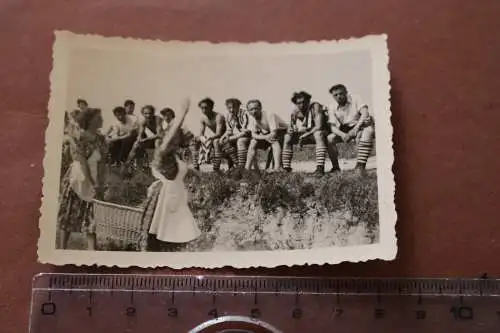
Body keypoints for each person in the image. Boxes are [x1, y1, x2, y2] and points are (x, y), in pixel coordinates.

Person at [140, 98, 202, 251]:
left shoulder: (174, 154)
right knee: (170, 233)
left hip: (175, 195)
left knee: (173, 234)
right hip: (167, 196)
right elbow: (172, 133)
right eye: (176, 137)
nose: (178, 140)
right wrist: (182, 114)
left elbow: (181, 170)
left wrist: (195, 174)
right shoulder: (163, 151)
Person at [57, 108, 106, 250]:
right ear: (90, 121)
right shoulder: (80, 137)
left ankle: (92, 252)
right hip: (78, 179)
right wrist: (93, 183)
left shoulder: (100, 139)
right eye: (99, 117)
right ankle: (62, 249)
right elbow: (82, 162)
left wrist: (101, 183)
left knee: (91, 218)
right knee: (68, 216)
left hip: (93, 180)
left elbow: (102, 162)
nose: (102, 119)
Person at [282, 91, 339, 175]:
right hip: (310, 132)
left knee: (318, 134)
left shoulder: (315, 106)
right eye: (298, 103)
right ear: (295, 104)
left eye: (304, 102)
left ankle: (320, 167)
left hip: (325, 131)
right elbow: (291, 125)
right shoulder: (295, 111)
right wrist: (291, 129)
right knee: (287, 137)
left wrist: (304, 135)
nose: (301, 105)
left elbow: (319, 126)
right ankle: (286, 168)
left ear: (308, 101)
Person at [326, 84, 375, 175]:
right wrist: (343, 135)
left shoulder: (355, 98)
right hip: (345, 129)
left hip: (360, 125)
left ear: (346, 92)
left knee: (369, 131)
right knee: (330, 138)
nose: (339, 96)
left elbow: (365, 114)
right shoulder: (332, 106)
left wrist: (356, 129)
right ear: (332, 96)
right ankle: (335, 167)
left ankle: (360, 166)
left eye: (341, 93)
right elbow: (332, 127)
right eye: (335, 95)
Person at [190, 98, 235, 171]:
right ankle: (196, 167)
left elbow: (219, 133)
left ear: (211, 107)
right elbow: (201, 133)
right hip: (216, 136)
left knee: (215, 141)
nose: (204, 110)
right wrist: (201, 138)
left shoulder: (218, 116)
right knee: (194, 141)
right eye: (202, 108)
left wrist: (209, 138)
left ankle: (216, 169)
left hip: (226, 135)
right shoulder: (203, 118)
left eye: (206, 108)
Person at [245, 99, 287, 171]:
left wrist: (265, 137)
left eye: (256, 109)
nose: (254, 111)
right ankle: (247, 168)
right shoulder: (252, 118)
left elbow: (274, 133)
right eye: (251, 109)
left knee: (274, 141)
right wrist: (265, 137)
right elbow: (253, 134)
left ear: (260, 108)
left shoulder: (269, 114)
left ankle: (277, 168)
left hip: (283, 132)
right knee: (253, 142)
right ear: (248, 111)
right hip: (268, 134)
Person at [220, 98, 250, 168]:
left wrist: (230, 138)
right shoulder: (228, 116)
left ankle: (242, 166)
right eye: (229, 108)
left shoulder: (245, 114)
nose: (232, 110)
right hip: (238, 135)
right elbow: (229, 130)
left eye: (234, 107)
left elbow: (245, 132)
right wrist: (222, 138)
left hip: (250, 134)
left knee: (240, 141)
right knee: (222, 143)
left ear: (239, 106)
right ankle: (237, 164)